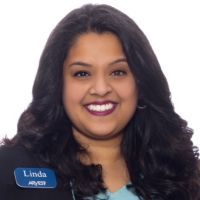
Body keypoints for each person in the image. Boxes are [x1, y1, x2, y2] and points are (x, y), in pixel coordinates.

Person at [0, 4, 199, 200]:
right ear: (58, 85)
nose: (101, 88)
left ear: (141, 82)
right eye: (82, 73)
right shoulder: (8, 171)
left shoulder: (185, 175)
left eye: (118, 72)